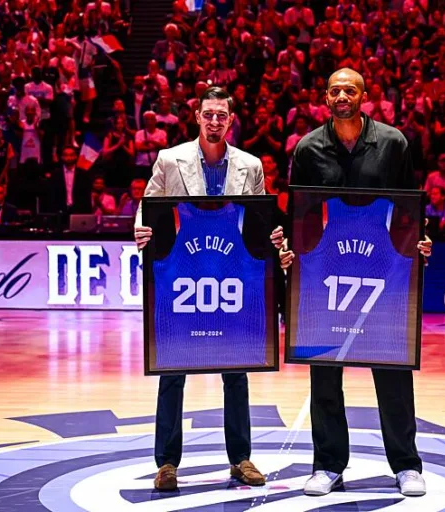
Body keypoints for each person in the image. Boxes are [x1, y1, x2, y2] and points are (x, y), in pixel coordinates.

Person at [280, 68, 433, 498]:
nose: (342, 96)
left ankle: (406, 465)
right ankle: (328, 465)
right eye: (335, 90)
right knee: (325, 374)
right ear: (325, 98)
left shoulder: (393, 143)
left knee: (393, 370)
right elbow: (301, 213)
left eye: (350, 89)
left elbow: (408, 207)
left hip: (381, 272)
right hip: (326, 274)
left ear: (364, 96)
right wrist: (292, 251)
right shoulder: (308, 148)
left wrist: (418, 241)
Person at [133, 87, 285, 492]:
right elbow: (147, 204)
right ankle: (167, 463)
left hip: (230, 277)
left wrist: (274, 240)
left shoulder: (250, 165)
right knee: (172, 370)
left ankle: (241, 458)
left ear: (230, 120)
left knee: (236, 370)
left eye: (221, 115)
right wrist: (140, 229)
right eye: (208, 114)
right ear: (197, 117)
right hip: (184, 276)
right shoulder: (170, 159)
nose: (214, 121)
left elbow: (258, 221)